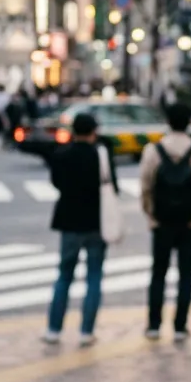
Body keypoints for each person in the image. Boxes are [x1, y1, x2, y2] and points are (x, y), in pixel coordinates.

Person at [139, 103, 191, 341]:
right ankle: (180, 326)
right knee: (186, 274)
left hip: (161, 222)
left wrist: (150, 214)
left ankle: (153, 325)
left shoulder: (153, 150)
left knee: (158, 273)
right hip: (190, 222)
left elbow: (145, 187)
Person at [44, 112, 117, 346]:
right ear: (94, 131)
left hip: (69, 221)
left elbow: (56, 183)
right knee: (94, 276)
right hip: (97, 221)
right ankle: (87, 331)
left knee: (64, 275)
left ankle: (54, 329)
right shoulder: (101, 155)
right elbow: (112, 185)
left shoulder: (62, 154)